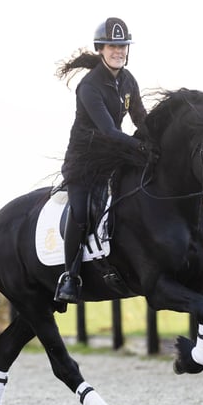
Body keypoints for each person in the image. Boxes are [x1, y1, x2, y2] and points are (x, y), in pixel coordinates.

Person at [53, 17, 149, 304]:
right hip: (84, 164)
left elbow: (141, 119)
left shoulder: (128, 80)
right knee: (81, 213)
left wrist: (156, 139)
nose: (118, 51)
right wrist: (141, 148)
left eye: (122, 46)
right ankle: (70, 277)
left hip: (113, 157)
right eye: (112, 46)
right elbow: (108, 131)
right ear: (101, 49)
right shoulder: (89, 87)